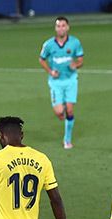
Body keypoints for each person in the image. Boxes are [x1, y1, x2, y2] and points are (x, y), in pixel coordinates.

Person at [39, 16, 83, 149]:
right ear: (55, 28)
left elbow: (80, 59)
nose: (61, 28)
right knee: (59, 112)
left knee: (69, 110)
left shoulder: (75, 42)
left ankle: (67, 139)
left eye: (63, 25)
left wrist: (76, 65)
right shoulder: (49, 44)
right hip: (56, 82)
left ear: (68, 27)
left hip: (70, 80)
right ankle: (61, 111)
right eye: (58, 26)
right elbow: (41, 59)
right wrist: (50, 72)